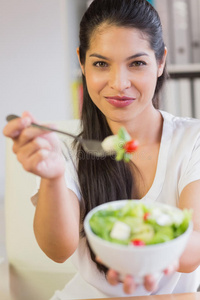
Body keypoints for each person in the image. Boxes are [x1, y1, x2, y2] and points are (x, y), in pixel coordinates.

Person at [3, 0, 200, 298]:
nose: (119, 83)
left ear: (160, 62)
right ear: (81, 62)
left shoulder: (192, 139)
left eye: (137, 63)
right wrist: (54, 177)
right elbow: (58, 250)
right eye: (100, 64)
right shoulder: (66, 148)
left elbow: (193, 247)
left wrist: (143, 251)